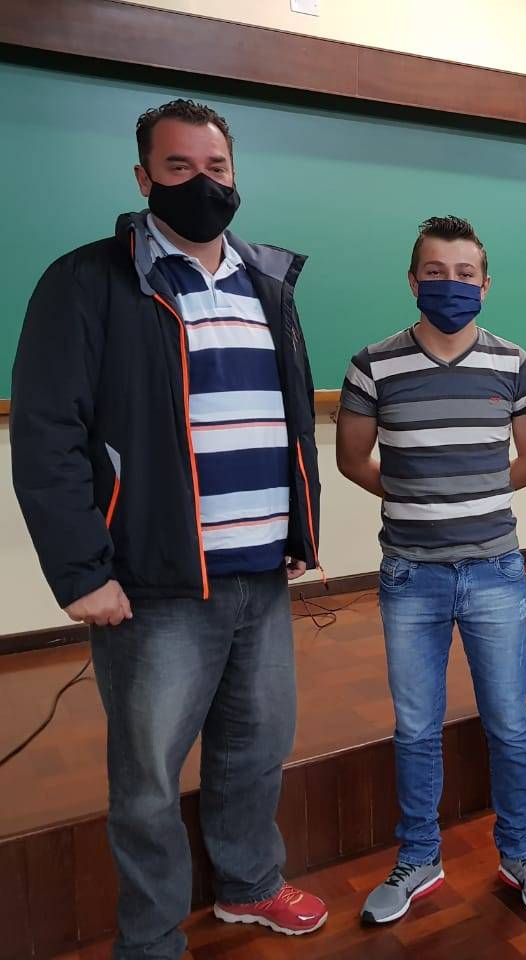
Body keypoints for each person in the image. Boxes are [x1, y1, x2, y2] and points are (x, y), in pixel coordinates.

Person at [11, 99, 326, 959]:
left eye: (215, 168)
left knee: (256, 748)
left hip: (260, 572)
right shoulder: (87, 281)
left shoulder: (268, 282)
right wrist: (82, 571)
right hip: (154, 582)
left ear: (235, 173)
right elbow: (47, 434)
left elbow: (290, 417)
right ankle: (149, 939)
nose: (201, 182)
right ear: (143, 177)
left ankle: (249, 886)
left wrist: (298, 529)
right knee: (148, 778)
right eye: (179, 167)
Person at [337, 215, 526, 920]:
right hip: (412, 576)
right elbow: (351, 459)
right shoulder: (373, 364)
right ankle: (418, 858)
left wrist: (474, 491)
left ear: (486, 284)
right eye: (436, 272)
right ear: (413, 280)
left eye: (466, 274)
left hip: (495, 569)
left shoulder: (513, 362)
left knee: (509, 723)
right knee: (415, 727)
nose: (451, 284)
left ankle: (521, 851)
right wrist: (417, 493)